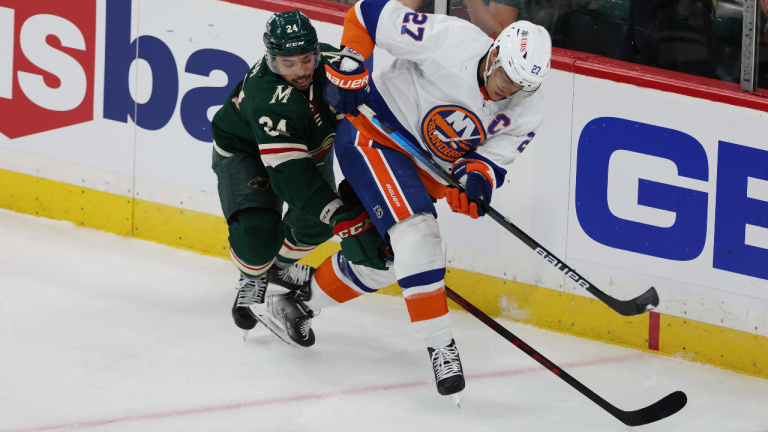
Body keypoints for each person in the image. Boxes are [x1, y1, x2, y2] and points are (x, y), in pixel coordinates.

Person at [288, 0, 550, 403]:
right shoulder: (452, 40)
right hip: (374, 135)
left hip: (425, 174)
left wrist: (474, 185)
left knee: (391, 260)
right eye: (507, 76)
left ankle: (301, 300)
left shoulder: (529, 107)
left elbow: (488, 161)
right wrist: (352, 66)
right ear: (495, 53)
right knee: (418, 235)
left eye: (520, 86)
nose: (508, 89)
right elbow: (366, 14)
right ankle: (441, 347)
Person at [210, 10, 387, 348]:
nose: (301, 71)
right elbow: (289, 174)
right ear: (272, 59)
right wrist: (338, 213)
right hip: (247, 152)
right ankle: (253, 274)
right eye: (288, 64)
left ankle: (274, 269)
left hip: (308, 151)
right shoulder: (265, 94)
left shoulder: (335, 66)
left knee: (317, 223)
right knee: (256, 233)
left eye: (307, 59)